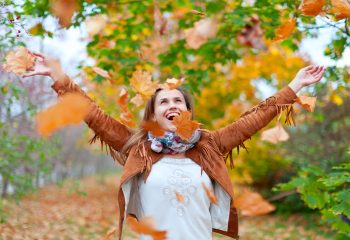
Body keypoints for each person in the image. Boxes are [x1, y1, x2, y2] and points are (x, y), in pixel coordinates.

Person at [23, 53, 325, 240]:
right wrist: (59, 78)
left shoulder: (210, 144)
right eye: (163, 102)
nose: (171, 104)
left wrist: (295, 86)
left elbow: (254, 119)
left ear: (187, 111)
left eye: (177, 100)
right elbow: (93, 114)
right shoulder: (137, 146)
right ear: (153, 114)